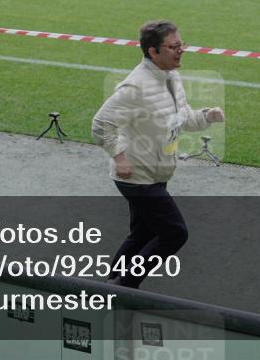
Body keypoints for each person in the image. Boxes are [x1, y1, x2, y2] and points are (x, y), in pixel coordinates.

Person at [92, 20, 224, 289]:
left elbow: (183, 117)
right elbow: (101, 124)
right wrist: (119, 158)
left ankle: (108, 284)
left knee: (143, 233)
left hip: (157, 171)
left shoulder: (171, 77)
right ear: (153, 52)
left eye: (182, 45)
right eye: (174, 46)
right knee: (174, 233)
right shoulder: (135, 87)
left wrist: (206, 116)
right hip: (137, 176)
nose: (181, 51)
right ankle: (126, 286)